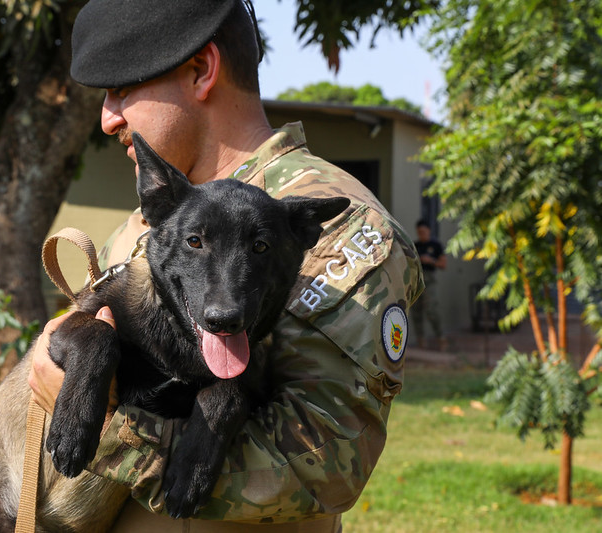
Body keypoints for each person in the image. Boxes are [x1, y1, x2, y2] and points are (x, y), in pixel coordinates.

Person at [28, 1, 424, 531]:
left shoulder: (338, 227)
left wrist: (117, 436)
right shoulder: (160, 214)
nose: (106, 118)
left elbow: (321, 466)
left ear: (202, 71)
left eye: (122, 88)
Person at [412, 220, 447, 350]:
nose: (421, 234)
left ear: (429, 231)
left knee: (432, 310)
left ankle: (441, 338)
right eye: (419, 232)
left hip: (430, 281)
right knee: (416, 311)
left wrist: (431, 260)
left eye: (424, 232)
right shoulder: (415, 245)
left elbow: (443, 264)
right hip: (416, 279)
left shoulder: (436, 245)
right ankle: (421, 341)